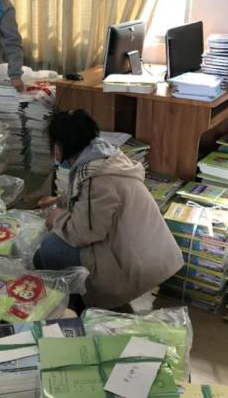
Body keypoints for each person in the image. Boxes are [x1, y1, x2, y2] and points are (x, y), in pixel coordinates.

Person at [34, 110, 184, 310]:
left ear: (59, 148)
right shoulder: (104, 159)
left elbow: (83, 234)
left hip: (133, 264)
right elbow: (90, 201)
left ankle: (77, 306)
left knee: (50, 246)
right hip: (141, 251)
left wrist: (58, 218)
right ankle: (73, 296)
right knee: (40, 258)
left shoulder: (97, 178)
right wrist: (60, 201)